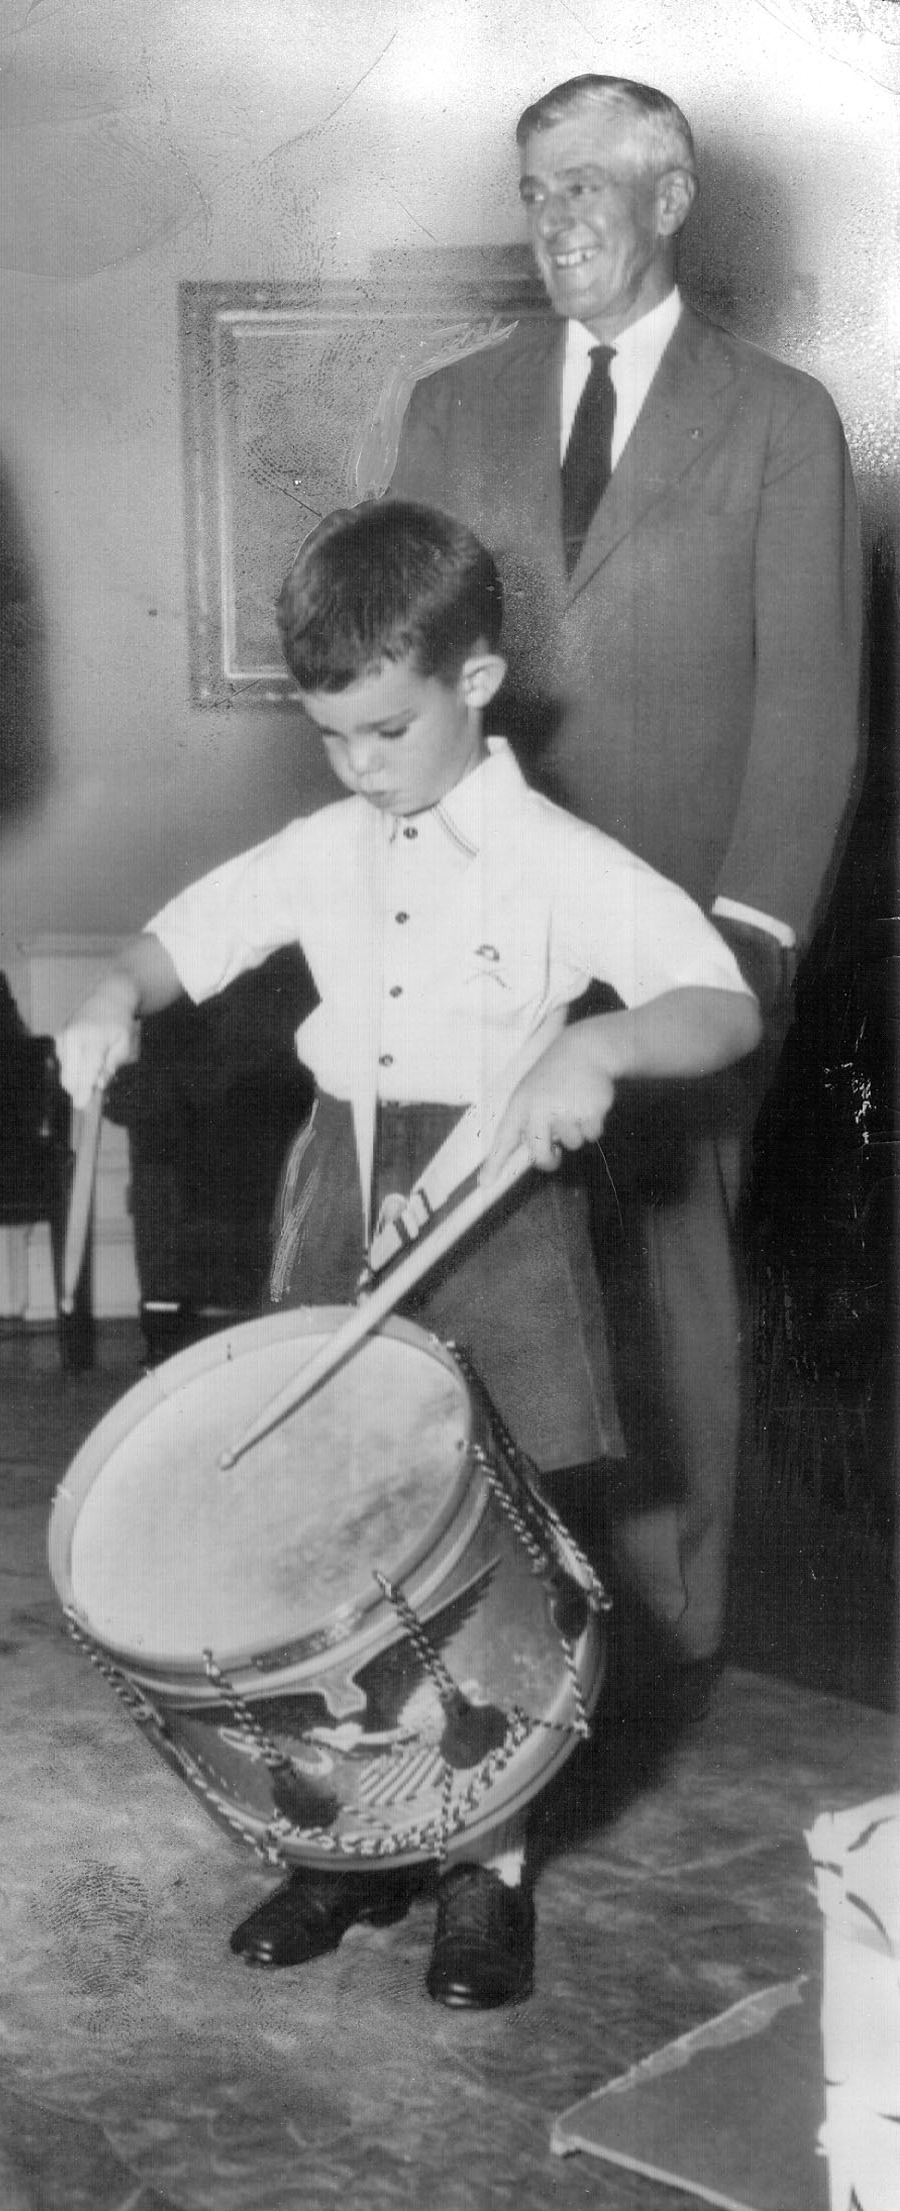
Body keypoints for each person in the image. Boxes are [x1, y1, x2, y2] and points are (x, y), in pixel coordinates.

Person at [56, 500, 759, 2006]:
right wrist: (117, 993)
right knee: (324, 1535)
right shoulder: (327, 840)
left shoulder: (561, 859)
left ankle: (484, 1873)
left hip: (499, 1206)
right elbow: (186, 938)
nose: (358, 767)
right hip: (343, 1185)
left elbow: (721, 1000)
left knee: (474, 1557)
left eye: (384, 729)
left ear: (479, 683)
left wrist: (608, 1051)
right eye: (332, 738)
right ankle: (344, 1847)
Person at [387, 74, 863, 1716]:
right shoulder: (450, 407)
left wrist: (748, 942)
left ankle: (662, 1658)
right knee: (486, 1282)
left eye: (594, 183)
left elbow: (812, 709)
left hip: (687, 941)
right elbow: (414, 679)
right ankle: (489, 1634)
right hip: (491, 928)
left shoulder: (780, 419)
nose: (560, 215)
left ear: (672, 201)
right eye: (537, 187)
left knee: (671, 1287)